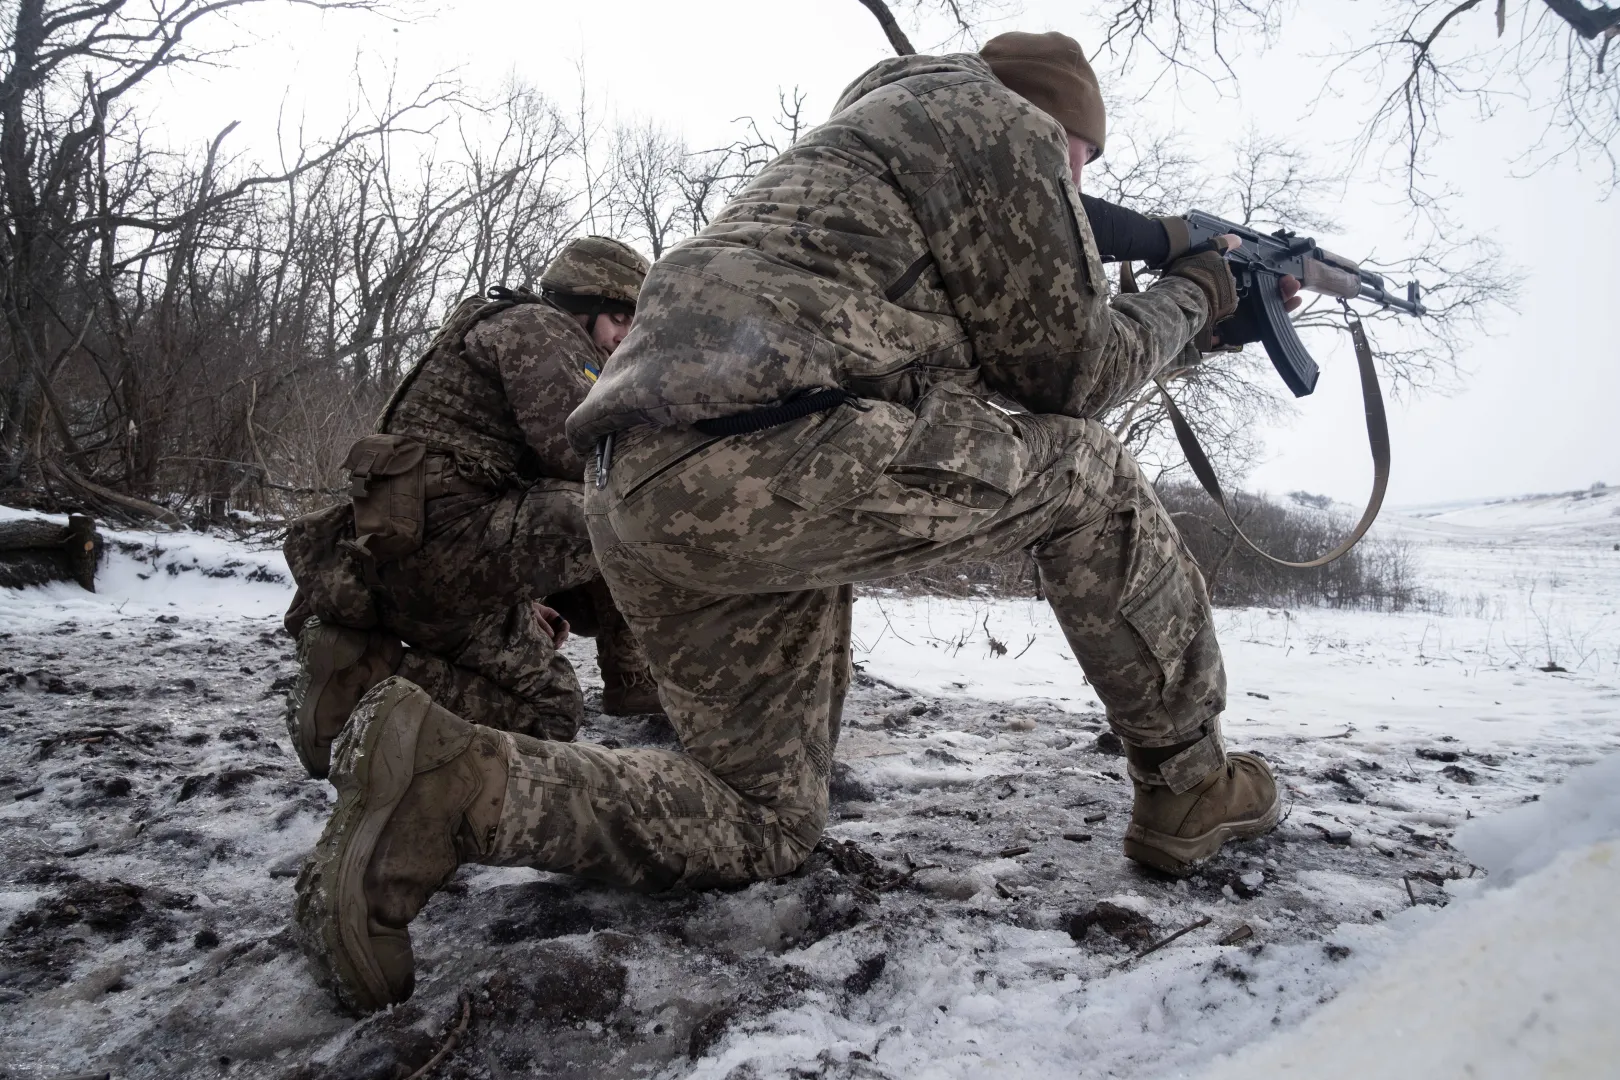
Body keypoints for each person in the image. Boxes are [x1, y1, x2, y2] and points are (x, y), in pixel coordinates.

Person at [294, 32, 1290, 1013]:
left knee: (759, 818)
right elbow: (1069, 381)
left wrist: (1193, 317)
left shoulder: (856, 167)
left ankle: (447, 788)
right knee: (1089, 473)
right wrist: (1199, 293)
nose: (1078, 185)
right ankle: (1191, 783)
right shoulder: (995, 120)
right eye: (1083, 159)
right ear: (1054, 124)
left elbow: (996, 356)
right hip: (760, 458)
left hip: (635, 489)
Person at [279, 236, 662, 783]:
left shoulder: (489, 324)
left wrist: (524, 600)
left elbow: (493, 477)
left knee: (553, 711)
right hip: (443, 553)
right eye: (621, 318)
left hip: (408, 558)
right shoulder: (541, 327)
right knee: (621, 503)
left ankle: (361, 675)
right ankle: (635, 680)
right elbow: (582, 453)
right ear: (585, 302)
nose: (624, 337)